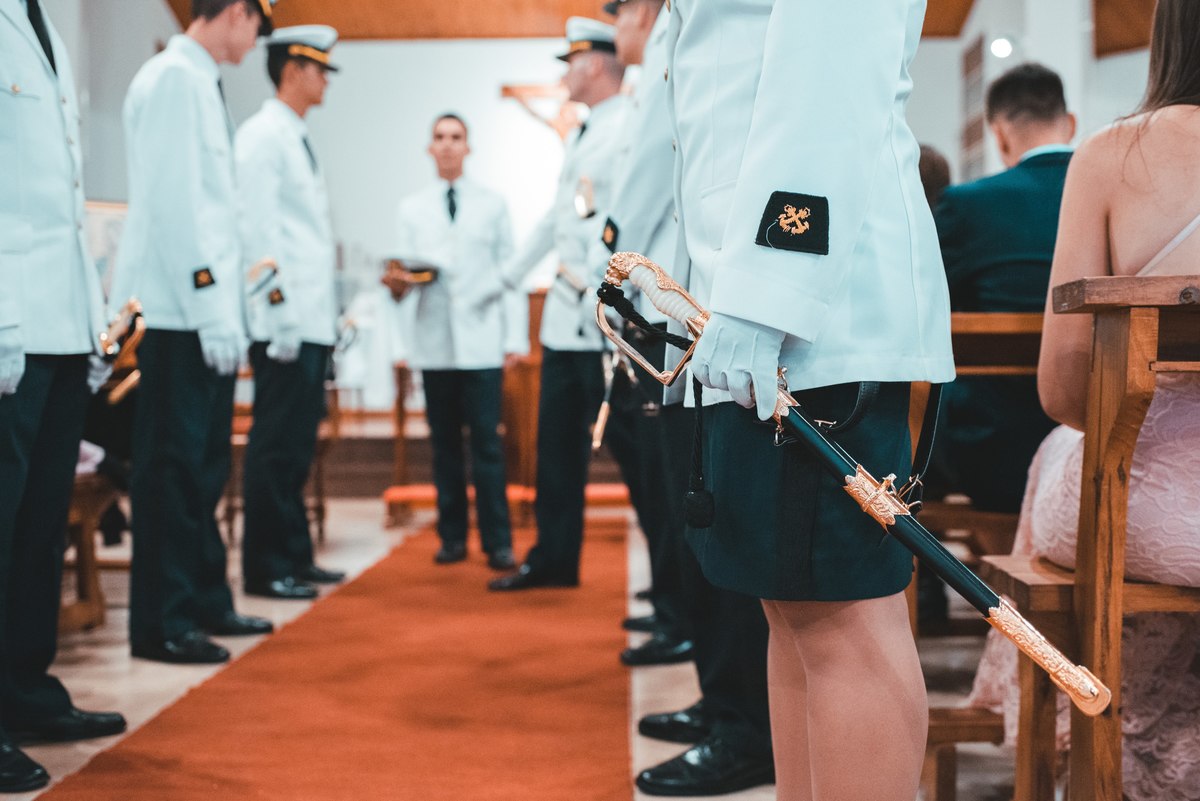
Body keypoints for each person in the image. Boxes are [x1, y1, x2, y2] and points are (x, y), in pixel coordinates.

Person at [665, 3, 955, 800]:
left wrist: (770, 290)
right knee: (793, 611)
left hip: (812, 312)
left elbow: (833, 72)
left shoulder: (780, 295)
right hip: (751, 299)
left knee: (844, 618)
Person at [970, 3, 1200, 797]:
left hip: (1154, 508)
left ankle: (1097, 737)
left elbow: (1065, 389)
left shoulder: (1111, 156)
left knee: (1062, 454)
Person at [590, 0, 774, 792]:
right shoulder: (678, 26)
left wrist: (623, 286)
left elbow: (653, 177)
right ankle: (721, 700)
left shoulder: (681, 24)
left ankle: (741, 724)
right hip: (677, 312)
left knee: (710, 523)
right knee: (694, 519)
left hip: (692, 313)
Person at [113, 0, 277, 665]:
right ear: (235, 11)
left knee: (202, 469)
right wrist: (213, 304)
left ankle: (204, 597)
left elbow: (215, 208)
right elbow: (180, 204)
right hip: (182, 314)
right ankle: (164, 621)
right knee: (173, 474)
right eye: (257, 23)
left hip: (199, 310)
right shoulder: (177, 79)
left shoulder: (197, 79)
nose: (256, 38)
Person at [0, 0, 127, 790]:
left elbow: (63, 200)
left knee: (38, 528)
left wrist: (87, 325)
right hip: (10, 320)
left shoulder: (43, 20)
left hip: (56, 321)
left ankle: (23, 689)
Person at [920, 64, 1076, 626]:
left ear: (998, 133)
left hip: (988, 451)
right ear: (1071, 120)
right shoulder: (1106, 189)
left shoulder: (968, 205)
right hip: (1096, 440)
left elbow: (926, 310)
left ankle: (922, 599)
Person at [488, 17, 629, 592]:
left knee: (636, 454)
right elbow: (559, 217)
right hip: (566, 321)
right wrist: (509, 274)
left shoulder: (624, 129)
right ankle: (554, 557)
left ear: (593, 64)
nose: (565, 75)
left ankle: (675, 591)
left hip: (603, 318)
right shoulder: (586, 131)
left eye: (570, 62)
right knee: (556, 450)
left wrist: (612, 298)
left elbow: (624, 222)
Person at [236, 25, 347, 600]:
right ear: (292, 70)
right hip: (285, 322)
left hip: (310, 320)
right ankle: (265, 566)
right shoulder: (261, 136)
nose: (326, 79)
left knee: (297, 445)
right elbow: (257, 234)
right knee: (275, 445)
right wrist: (275, 314)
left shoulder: (294, 136)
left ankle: (295, 556)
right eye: (320, 68)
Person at [383, 113, 521, 571]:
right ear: (429, 147)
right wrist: (401, 288)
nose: (447, 145)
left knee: (486, 444)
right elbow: (403, 276)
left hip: (481, 342)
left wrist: (514, 339)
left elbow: (511, 275)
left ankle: (498, 541)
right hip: (434, 342)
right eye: (439, 137)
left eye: (455, 138)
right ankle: (452, 537)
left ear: (468, 147)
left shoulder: (493, 204)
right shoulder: (411, 208)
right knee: (444, 445)